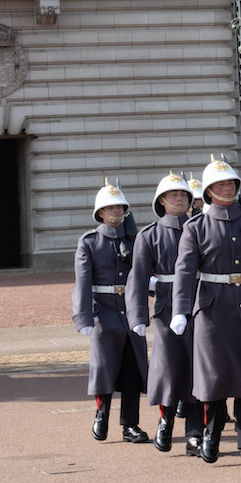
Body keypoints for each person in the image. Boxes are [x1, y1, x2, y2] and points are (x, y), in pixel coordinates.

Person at [170, 156, 241, 468]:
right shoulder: (197, 227)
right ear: (209, 191)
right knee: (215, 378)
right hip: (213, 307)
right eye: (221, 184)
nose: (228, 187)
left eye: (232, 183)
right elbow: (185, 272)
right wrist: (180, 310)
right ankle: (211, 433)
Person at [127, 172, 200, 453]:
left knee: (197, 370)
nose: (179, 199)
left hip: (198, 305)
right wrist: (138, 317)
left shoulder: (200, 227)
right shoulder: (150, 235)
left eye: (183, 195)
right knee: (169, 369)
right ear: (162, 201)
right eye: (174, 195)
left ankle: (194, 432)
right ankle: (166, 422)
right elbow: (138, 276)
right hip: (167, 308)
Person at [74, 179, 148, 444]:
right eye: (110, 208)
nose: (116, 211)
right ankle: (101, 414)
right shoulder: (90, 242)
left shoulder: (136, 239)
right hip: (103, 311)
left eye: (120, 207)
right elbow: (82, 282)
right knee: (104, 368)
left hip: (130, 311)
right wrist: (83, 317)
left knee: (132, 370)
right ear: (100, 213)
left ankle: (130, 424)